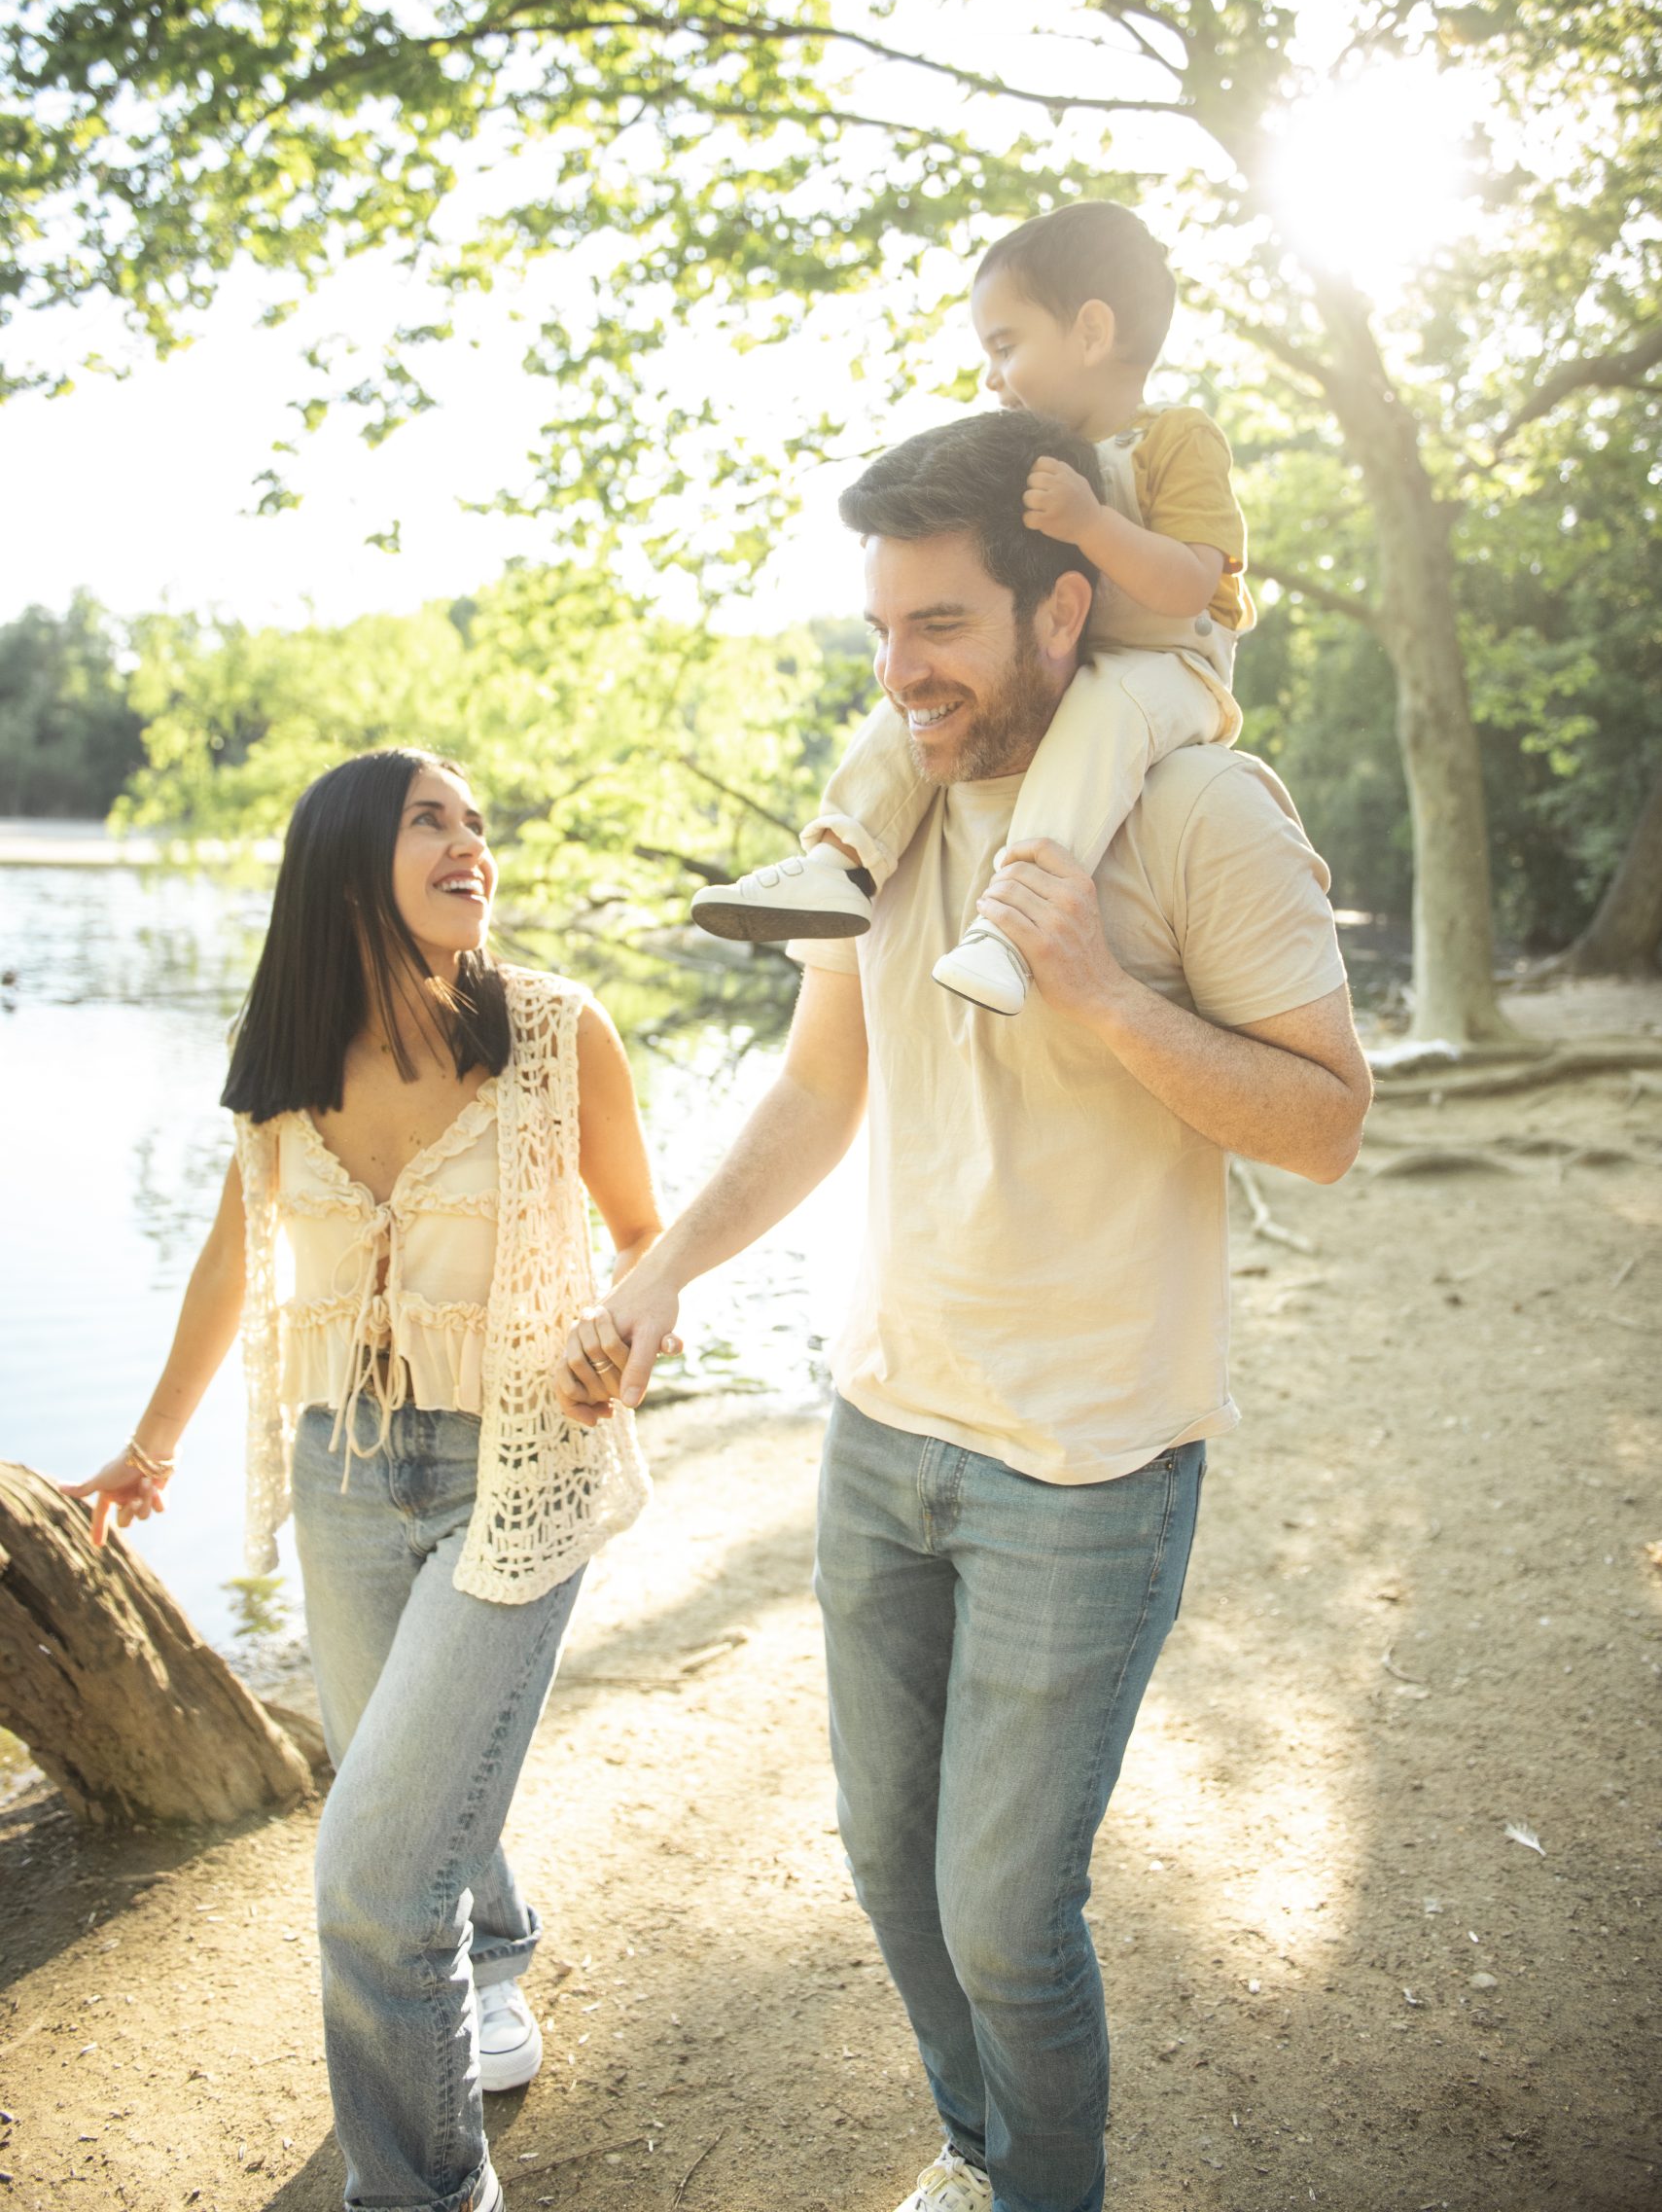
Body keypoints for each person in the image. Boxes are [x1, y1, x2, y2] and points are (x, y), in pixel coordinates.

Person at [561, 413, 1370, 2212]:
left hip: (1086, 1468)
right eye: (879, 628)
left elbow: (1325, 1122)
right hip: (881, 1431)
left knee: (1004, 1916)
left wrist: (1100, 995)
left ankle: (1041, 2191)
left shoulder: (1200, 811)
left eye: (938, 626)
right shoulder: (887, 825)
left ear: (1061, 612)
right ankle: (976, 2150)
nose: (898, 672)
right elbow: (815, 1090)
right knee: (886, 1862)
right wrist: (659, 1270)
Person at [68, 746, 669, 2212]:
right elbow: (235, 1257)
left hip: (516, 1464)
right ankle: (496, 1948)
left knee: (374, 1873)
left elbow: (647, 1239)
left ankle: (420, 2190)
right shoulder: (284, 1057)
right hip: (339, 1468)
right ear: (347, 864)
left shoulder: (554, 1031)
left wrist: (622, 1340)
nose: (472, 844)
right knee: (404, 1771)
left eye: (477, 823)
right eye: (429, 821)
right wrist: (151, 1445)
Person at [690, 198, 1253, 1017]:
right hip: (1074, 650)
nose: (991, 378)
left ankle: (1012, 928)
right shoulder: (1033, 458)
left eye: (1005, 346)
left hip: (1171, 666)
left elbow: (1188, 586)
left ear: (1091, 333)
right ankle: (843, 859)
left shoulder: (1175, 438)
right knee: (919, 688)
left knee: (1102, 719)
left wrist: (1090, 524)